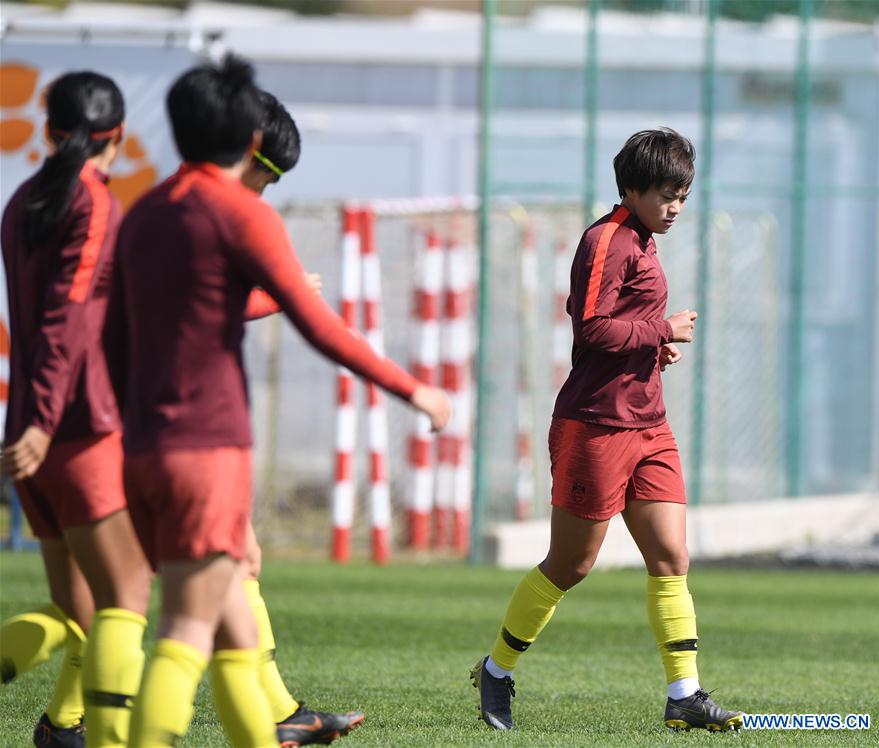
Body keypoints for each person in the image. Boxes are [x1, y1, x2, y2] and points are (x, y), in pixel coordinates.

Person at [103, 56, 450, 747]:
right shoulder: (239, 213)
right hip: (208, 448)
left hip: (140, 449)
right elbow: (320, 328)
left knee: (234, 628)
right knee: (185, 631)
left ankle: (279, 727)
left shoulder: (143, 212)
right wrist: (413, 390)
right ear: (249, 137)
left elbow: (115, 336)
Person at [469, 128, 743, 733]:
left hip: (650, 424)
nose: (676, 206)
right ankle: (498, 668)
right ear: (631, 189)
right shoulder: (608, 240)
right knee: (571, 565)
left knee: (671, 557)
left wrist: (652, 352)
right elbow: (591, 329)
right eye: (666, 194)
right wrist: (662, 332)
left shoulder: (645, 239)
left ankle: (685, 696)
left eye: (683, 195)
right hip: (595, 425)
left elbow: (624, 329)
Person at [0, 71, 152, 747]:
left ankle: (63, 728)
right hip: (73, 428)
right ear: (114, 138)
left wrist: (28, 420)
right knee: (125, 600)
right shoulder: (93, 203)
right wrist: (42, 418)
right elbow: (67, 322)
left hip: (29, 433)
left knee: (76, 609)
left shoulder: (21, 200)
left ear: (51, 132)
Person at [240, 89, 368, 746]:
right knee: (114, 604)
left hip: (173, 431)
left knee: (236, 570)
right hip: (173, 434)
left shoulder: (166, 210)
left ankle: (281, 716)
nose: (267, 189)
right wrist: (284, 297)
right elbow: (188, 308)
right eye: (269, 172)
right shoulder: (206, 213)